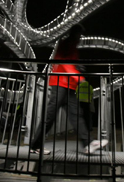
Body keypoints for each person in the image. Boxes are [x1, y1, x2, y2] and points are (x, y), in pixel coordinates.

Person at [30, 24, 108, 155]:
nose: (80, 38)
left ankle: (88, 144)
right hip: (60, 84)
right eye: (79, 35)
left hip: (69, 86)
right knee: (50, 116)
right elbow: (65, 63)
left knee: (76, 115)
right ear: (74, 34)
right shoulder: (66, 43)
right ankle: (35, 146)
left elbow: (70, 64)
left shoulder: (72, 46)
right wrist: (80, 78)